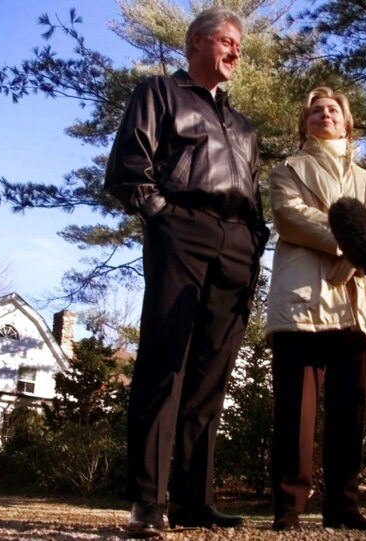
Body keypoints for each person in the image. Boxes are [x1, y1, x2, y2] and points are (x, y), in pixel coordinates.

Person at [104, 7, 269, 538]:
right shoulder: (159, 93)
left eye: (239, 45)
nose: (236, 52)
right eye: (227, 41)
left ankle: (196, 501)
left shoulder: (243, 127)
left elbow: (256, 196)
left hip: (237, 246)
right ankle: (148, 504)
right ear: (197, 42)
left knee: (211, 378)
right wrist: (164, 219)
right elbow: (129, 168)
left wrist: (254, 243)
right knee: (164, 363)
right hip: (182, 229)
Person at [266, 87, 366, 531]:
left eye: (333, 110)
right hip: (302, 299)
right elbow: (288, 215)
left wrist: (364, 250)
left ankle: (343, 506)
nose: (325, 115)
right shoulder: (288, 169)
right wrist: (351, 243)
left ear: (346, 122)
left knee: (350, 408)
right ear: (305, 123)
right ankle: (288, 507)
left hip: (356, 302)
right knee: (294, 411)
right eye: (316, 110)